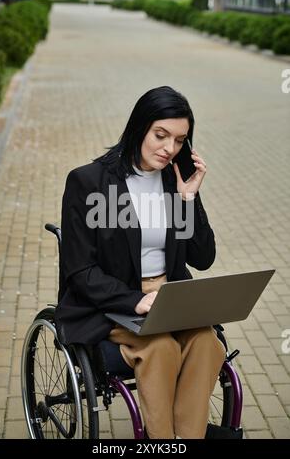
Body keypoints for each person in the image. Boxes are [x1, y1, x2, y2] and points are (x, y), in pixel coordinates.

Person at [55, 86, 226, 439]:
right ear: (139, 128)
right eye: (160, 135)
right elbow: (80, 271)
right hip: (110, 304)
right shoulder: (89, 182)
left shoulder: (173, 180)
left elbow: (203, 258)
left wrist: (189, 199)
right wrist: (136, 299)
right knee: (160, 346)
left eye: (180, 141)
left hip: (169, 298)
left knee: (208, 343)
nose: (169, 149)